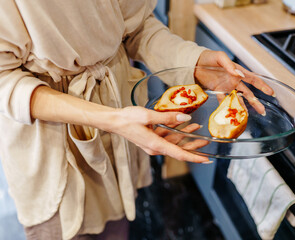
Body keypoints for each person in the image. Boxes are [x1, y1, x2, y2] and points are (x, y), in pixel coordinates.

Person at [0, 0, 273, 239]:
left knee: (117, 223)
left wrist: (194, 61)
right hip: (51, 147)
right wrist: (113, 120)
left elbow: (137, 27)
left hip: (122, 126)